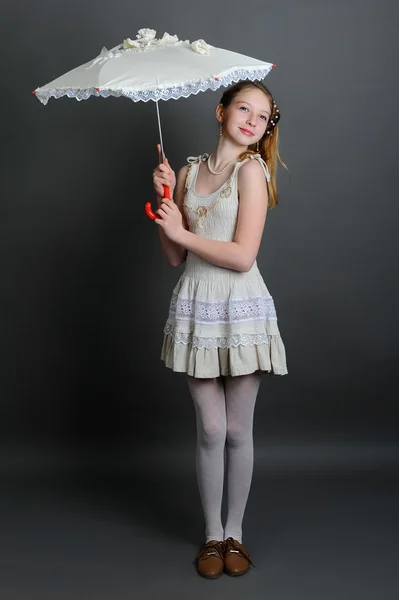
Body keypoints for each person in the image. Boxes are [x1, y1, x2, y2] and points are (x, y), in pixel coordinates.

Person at [152, 80, 288, 579]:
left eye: (263, 116)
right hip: (197, 305)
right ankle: (212, 536)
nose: (253, 120)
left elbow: (242, 255)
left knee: (236, 428)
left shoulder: (251, 171)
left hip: (241, 305)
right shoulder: (187, 172)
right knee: (209, 427)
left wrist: (184, 231)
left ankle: (236, 533)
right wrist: (167, 201)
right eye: (244, 108)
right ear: (221, 111)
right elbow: (175, 256)